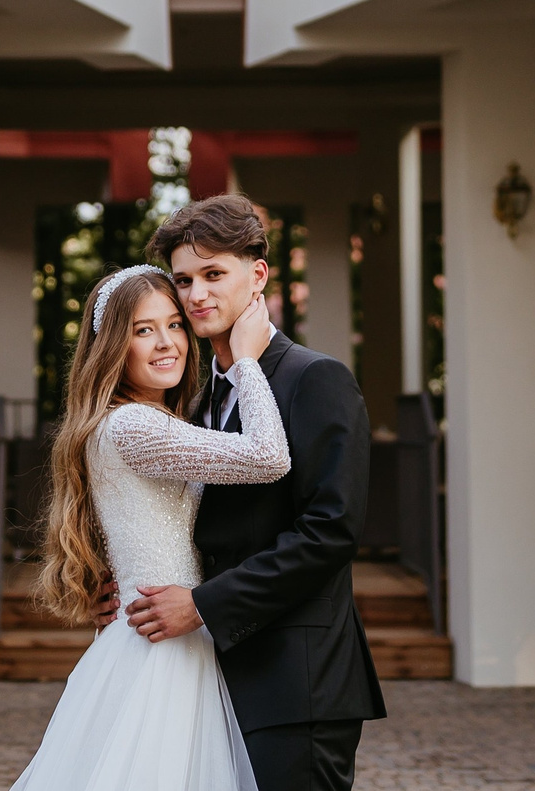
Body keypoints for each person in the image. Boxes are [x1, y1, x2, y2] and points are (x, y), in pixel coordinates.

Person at [126, 193, 385, 791]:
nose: (196, 295)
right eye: (185, 279)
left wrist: (203, 605)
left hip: (298, 679)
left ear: (257, 274)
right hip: (209, 675)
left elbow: (331, 532)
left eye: (214, 274)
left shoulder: (315, 379)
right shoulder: (196, 397)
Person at [10, 261, 288, 791]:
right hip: (162, 651)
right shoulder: (135, 425)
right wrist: (248, 362)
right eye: (143, 330)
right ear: (115, 348)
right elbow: (269, 456)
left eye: (175, 324)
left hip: (167, 632)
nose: (167, 343)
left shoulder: (149, 421)